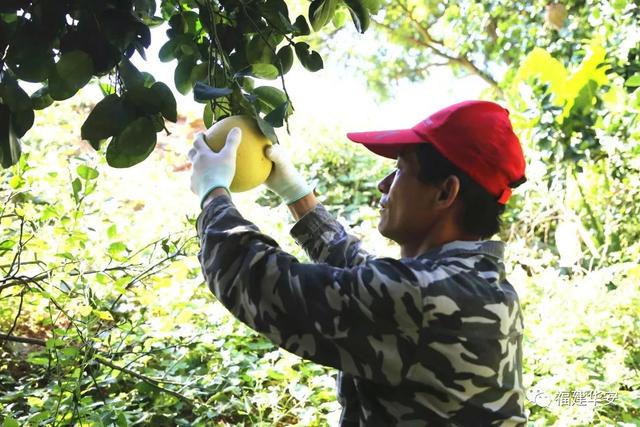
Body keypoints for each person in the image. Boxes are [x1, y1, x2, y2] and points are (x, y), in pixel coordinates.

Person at [188, 100, 528, 426]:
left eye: (399, 170)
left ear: (445, 193)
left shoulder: (424, 296)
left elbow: (259, 282)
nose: (383, 184)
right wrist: (297, 196)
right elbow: (364, 277)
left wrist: (213, 193)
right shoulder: (482, 284)